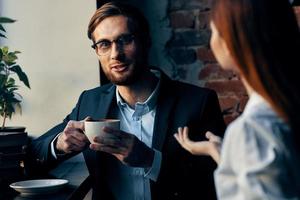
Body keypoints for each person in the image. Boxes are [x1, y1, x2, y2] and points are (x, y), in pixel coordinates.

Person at [25, 2, 226, 199]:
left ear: (146, 41)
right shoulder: (90, 102)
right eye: (104, 44)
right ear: (96, 51)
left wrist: (151, 160)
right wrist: (59, 145)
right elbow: (32, 155)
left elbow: (221, 182)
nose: (116, 54)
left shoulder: (198, 103)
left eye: (125, 40)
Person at [175, 0, 300, 199]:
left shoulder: (252, 130)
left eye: (214, 30)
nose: (211, 40)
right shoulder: (283, 110)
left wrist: (239, 144)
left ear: (232, 42)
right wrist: (224, 153)